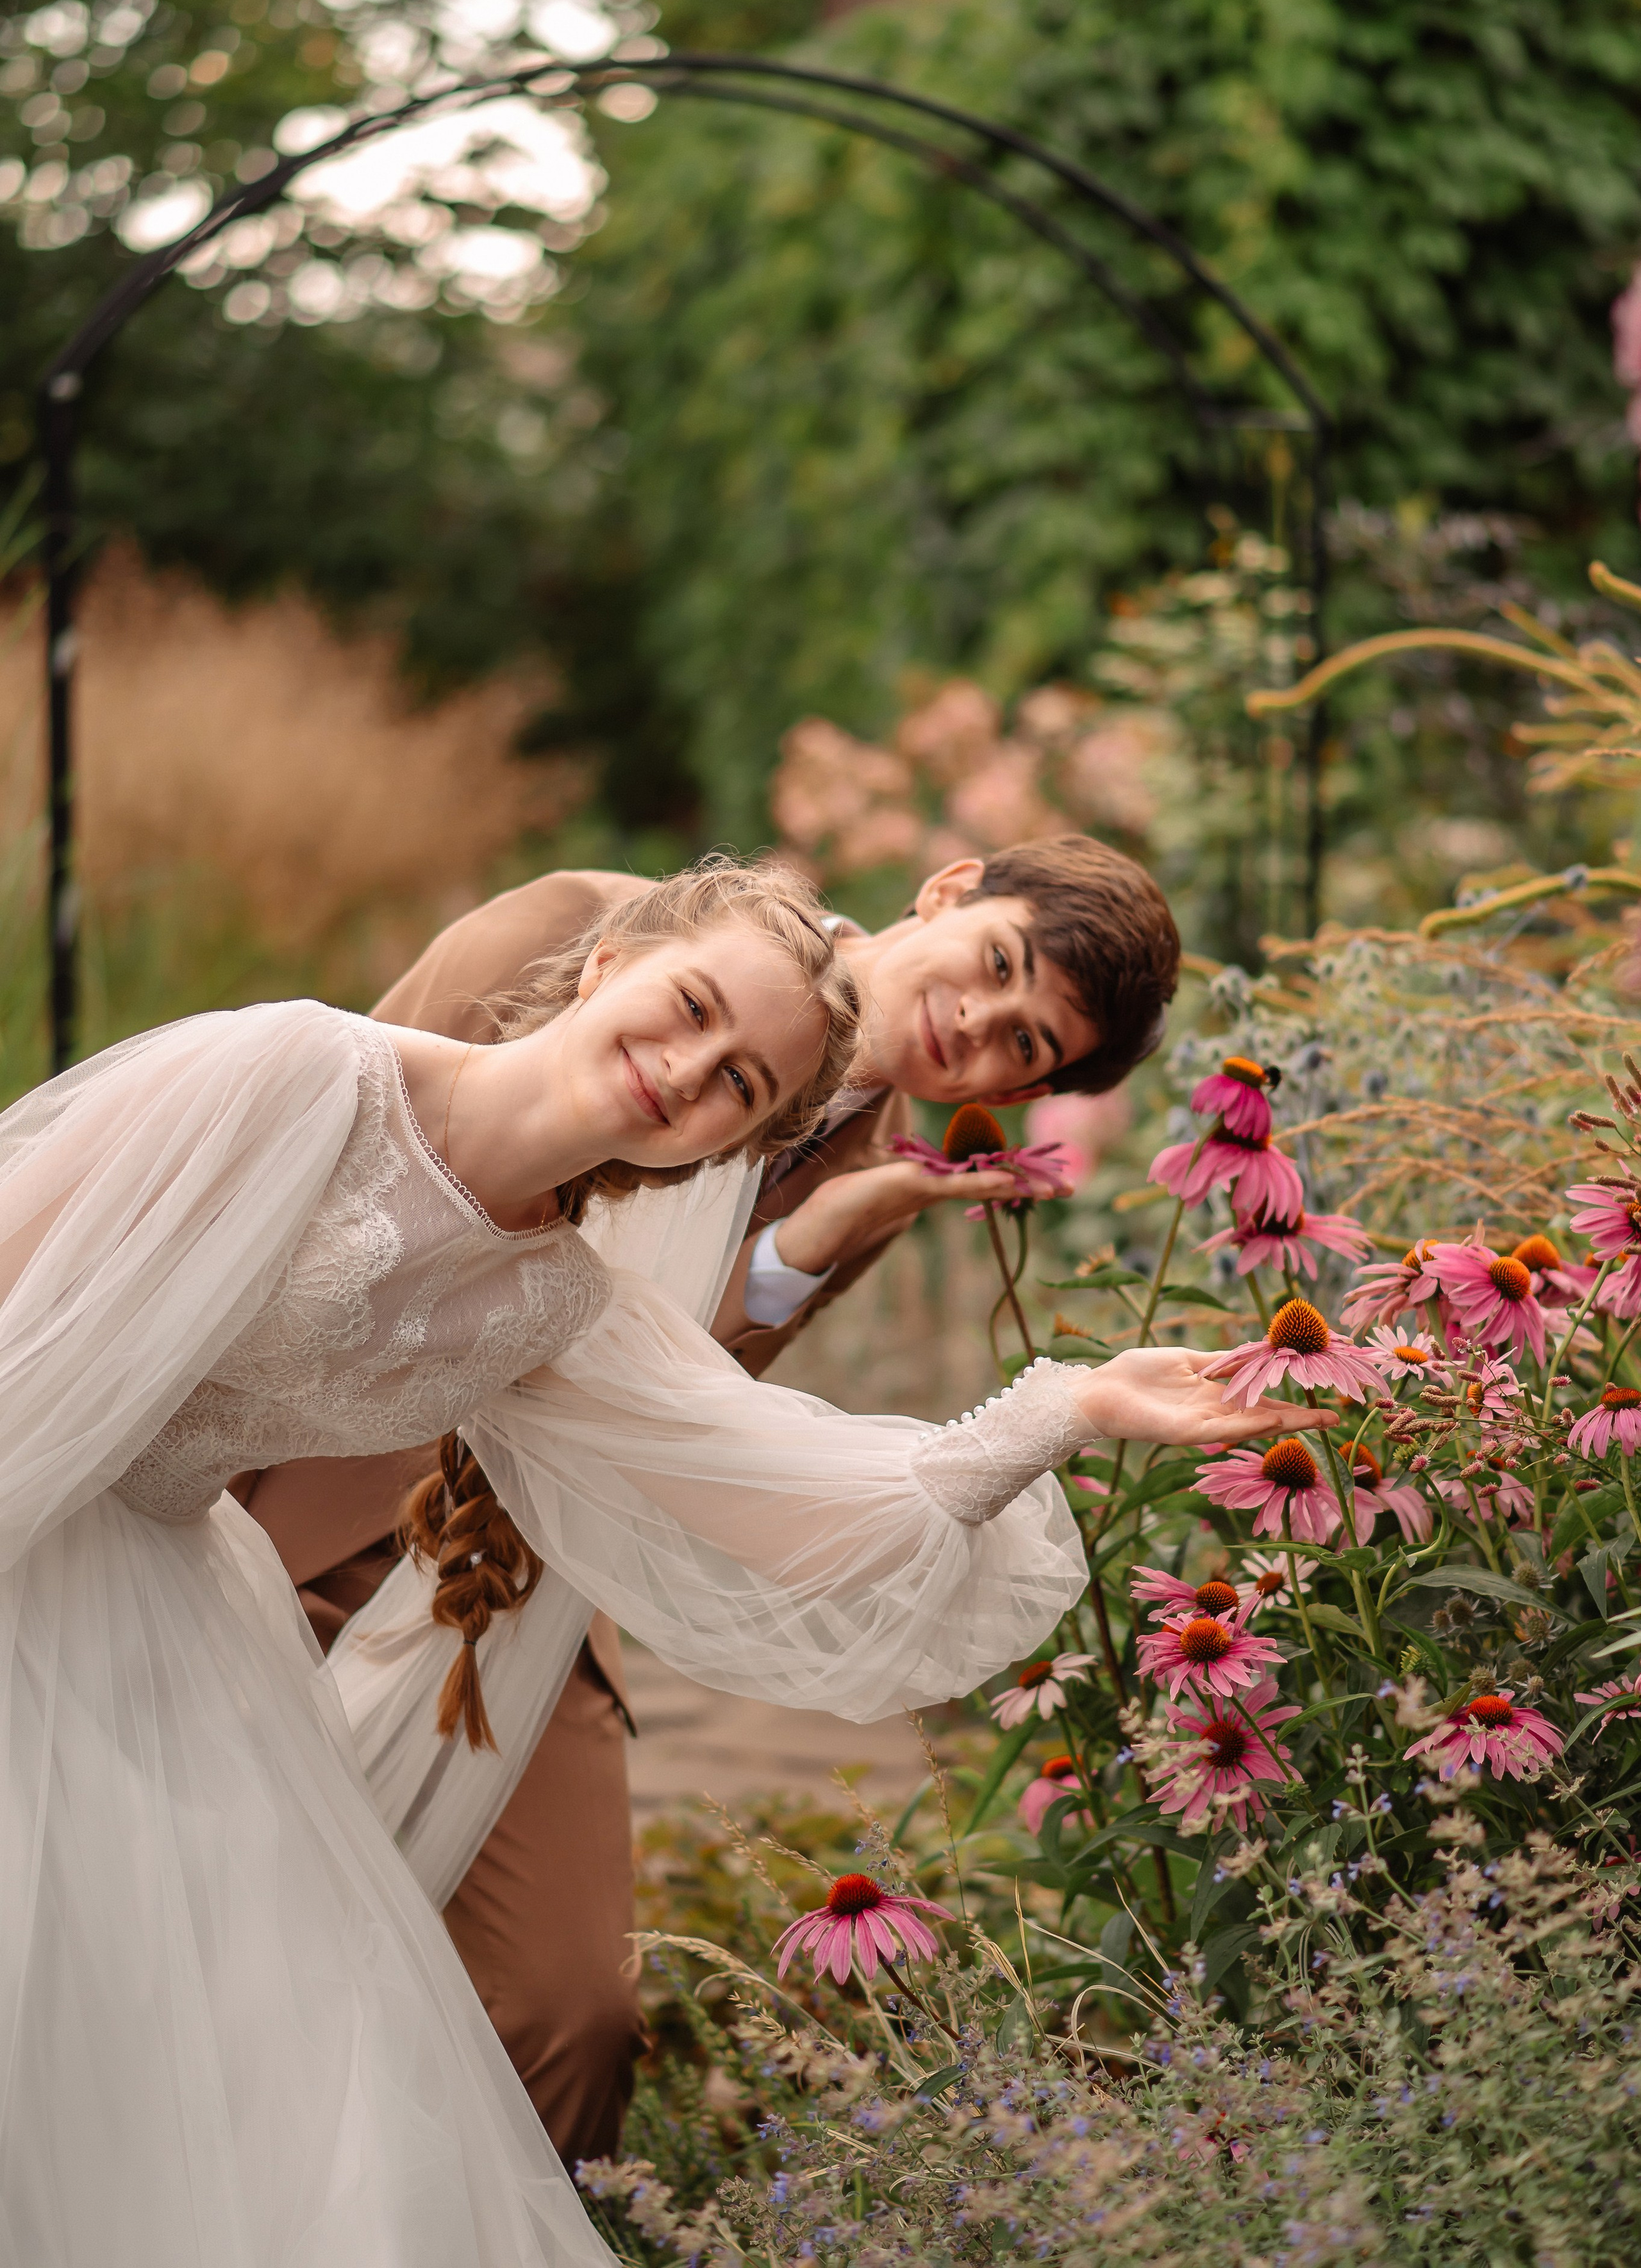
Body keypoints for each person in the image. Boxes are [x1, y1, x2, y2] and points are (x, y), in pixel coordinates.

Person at [0, 856, 1322, 2264]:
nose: (687, 1071)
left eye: (742, 1089)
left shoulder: (555, 1302)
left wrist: (1065, 1406)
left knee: (256, 2040)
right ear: (603, 966)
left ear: (732, 1147)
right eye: (688, 1010)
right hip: (68, 1522)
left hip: (259, 1603)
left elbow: (755, 1481)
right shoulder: (297, 1065)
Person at [238, 835, 1181, 2160]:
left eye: (1022, 1048)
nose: (973, 1028)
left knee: (571, 2011)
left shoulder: (878, 1181)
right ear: (951, 887)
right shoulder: (599, 926)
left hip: (517, 1585)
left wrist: (810, 1245)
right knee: (196, 1898)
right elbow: (314, 1155)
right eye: (996, 967)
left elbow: (695, 1430)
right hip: (297, 1490)